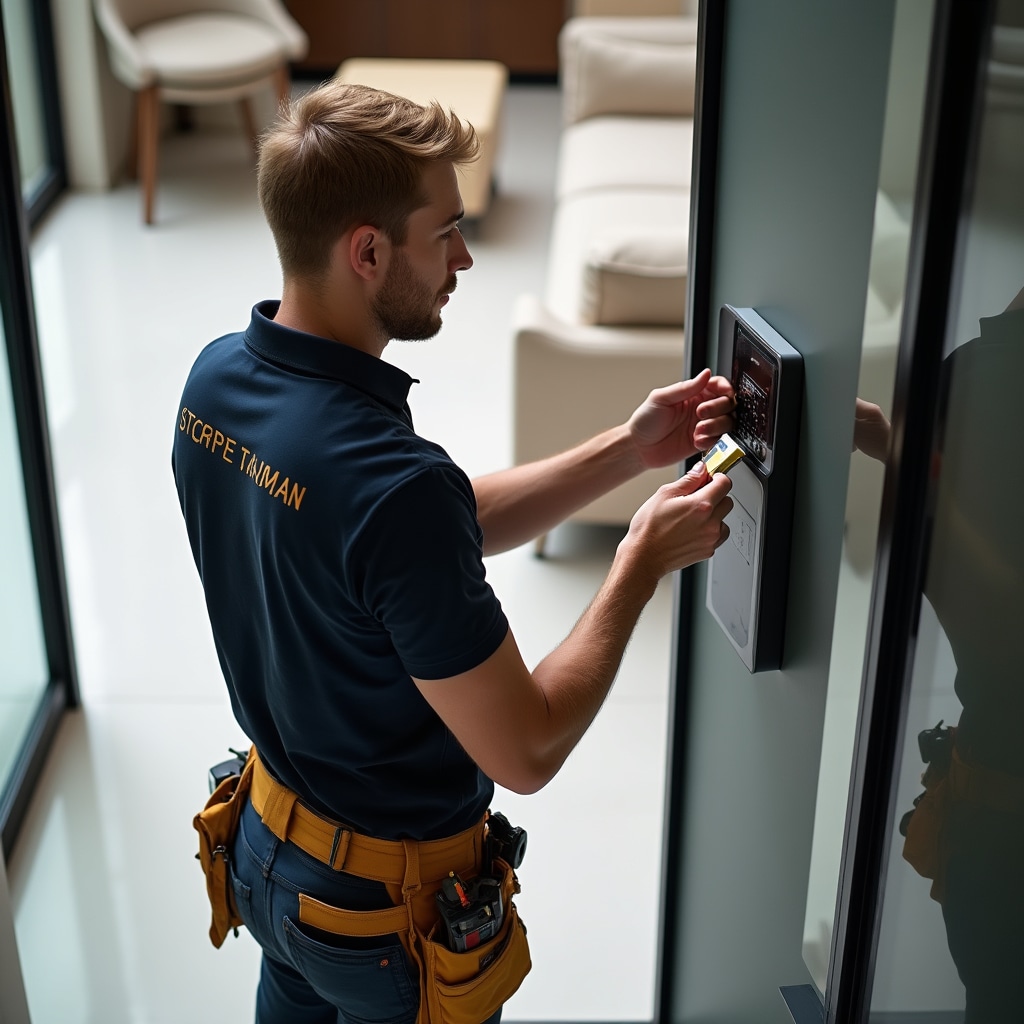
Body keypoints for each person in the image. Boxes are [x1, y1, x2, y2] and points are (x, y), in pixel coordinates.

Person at [172, 80, 735, 1024]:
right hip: (378, 922)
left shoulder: (216, 380)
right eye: (446, 231)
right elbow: (527, 745)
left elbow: (402, 541)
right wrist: (639, 558)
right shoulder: (392, 486)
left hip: (267, 854)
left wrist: (628, 452)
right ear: (367, 251)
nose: (464, 257)